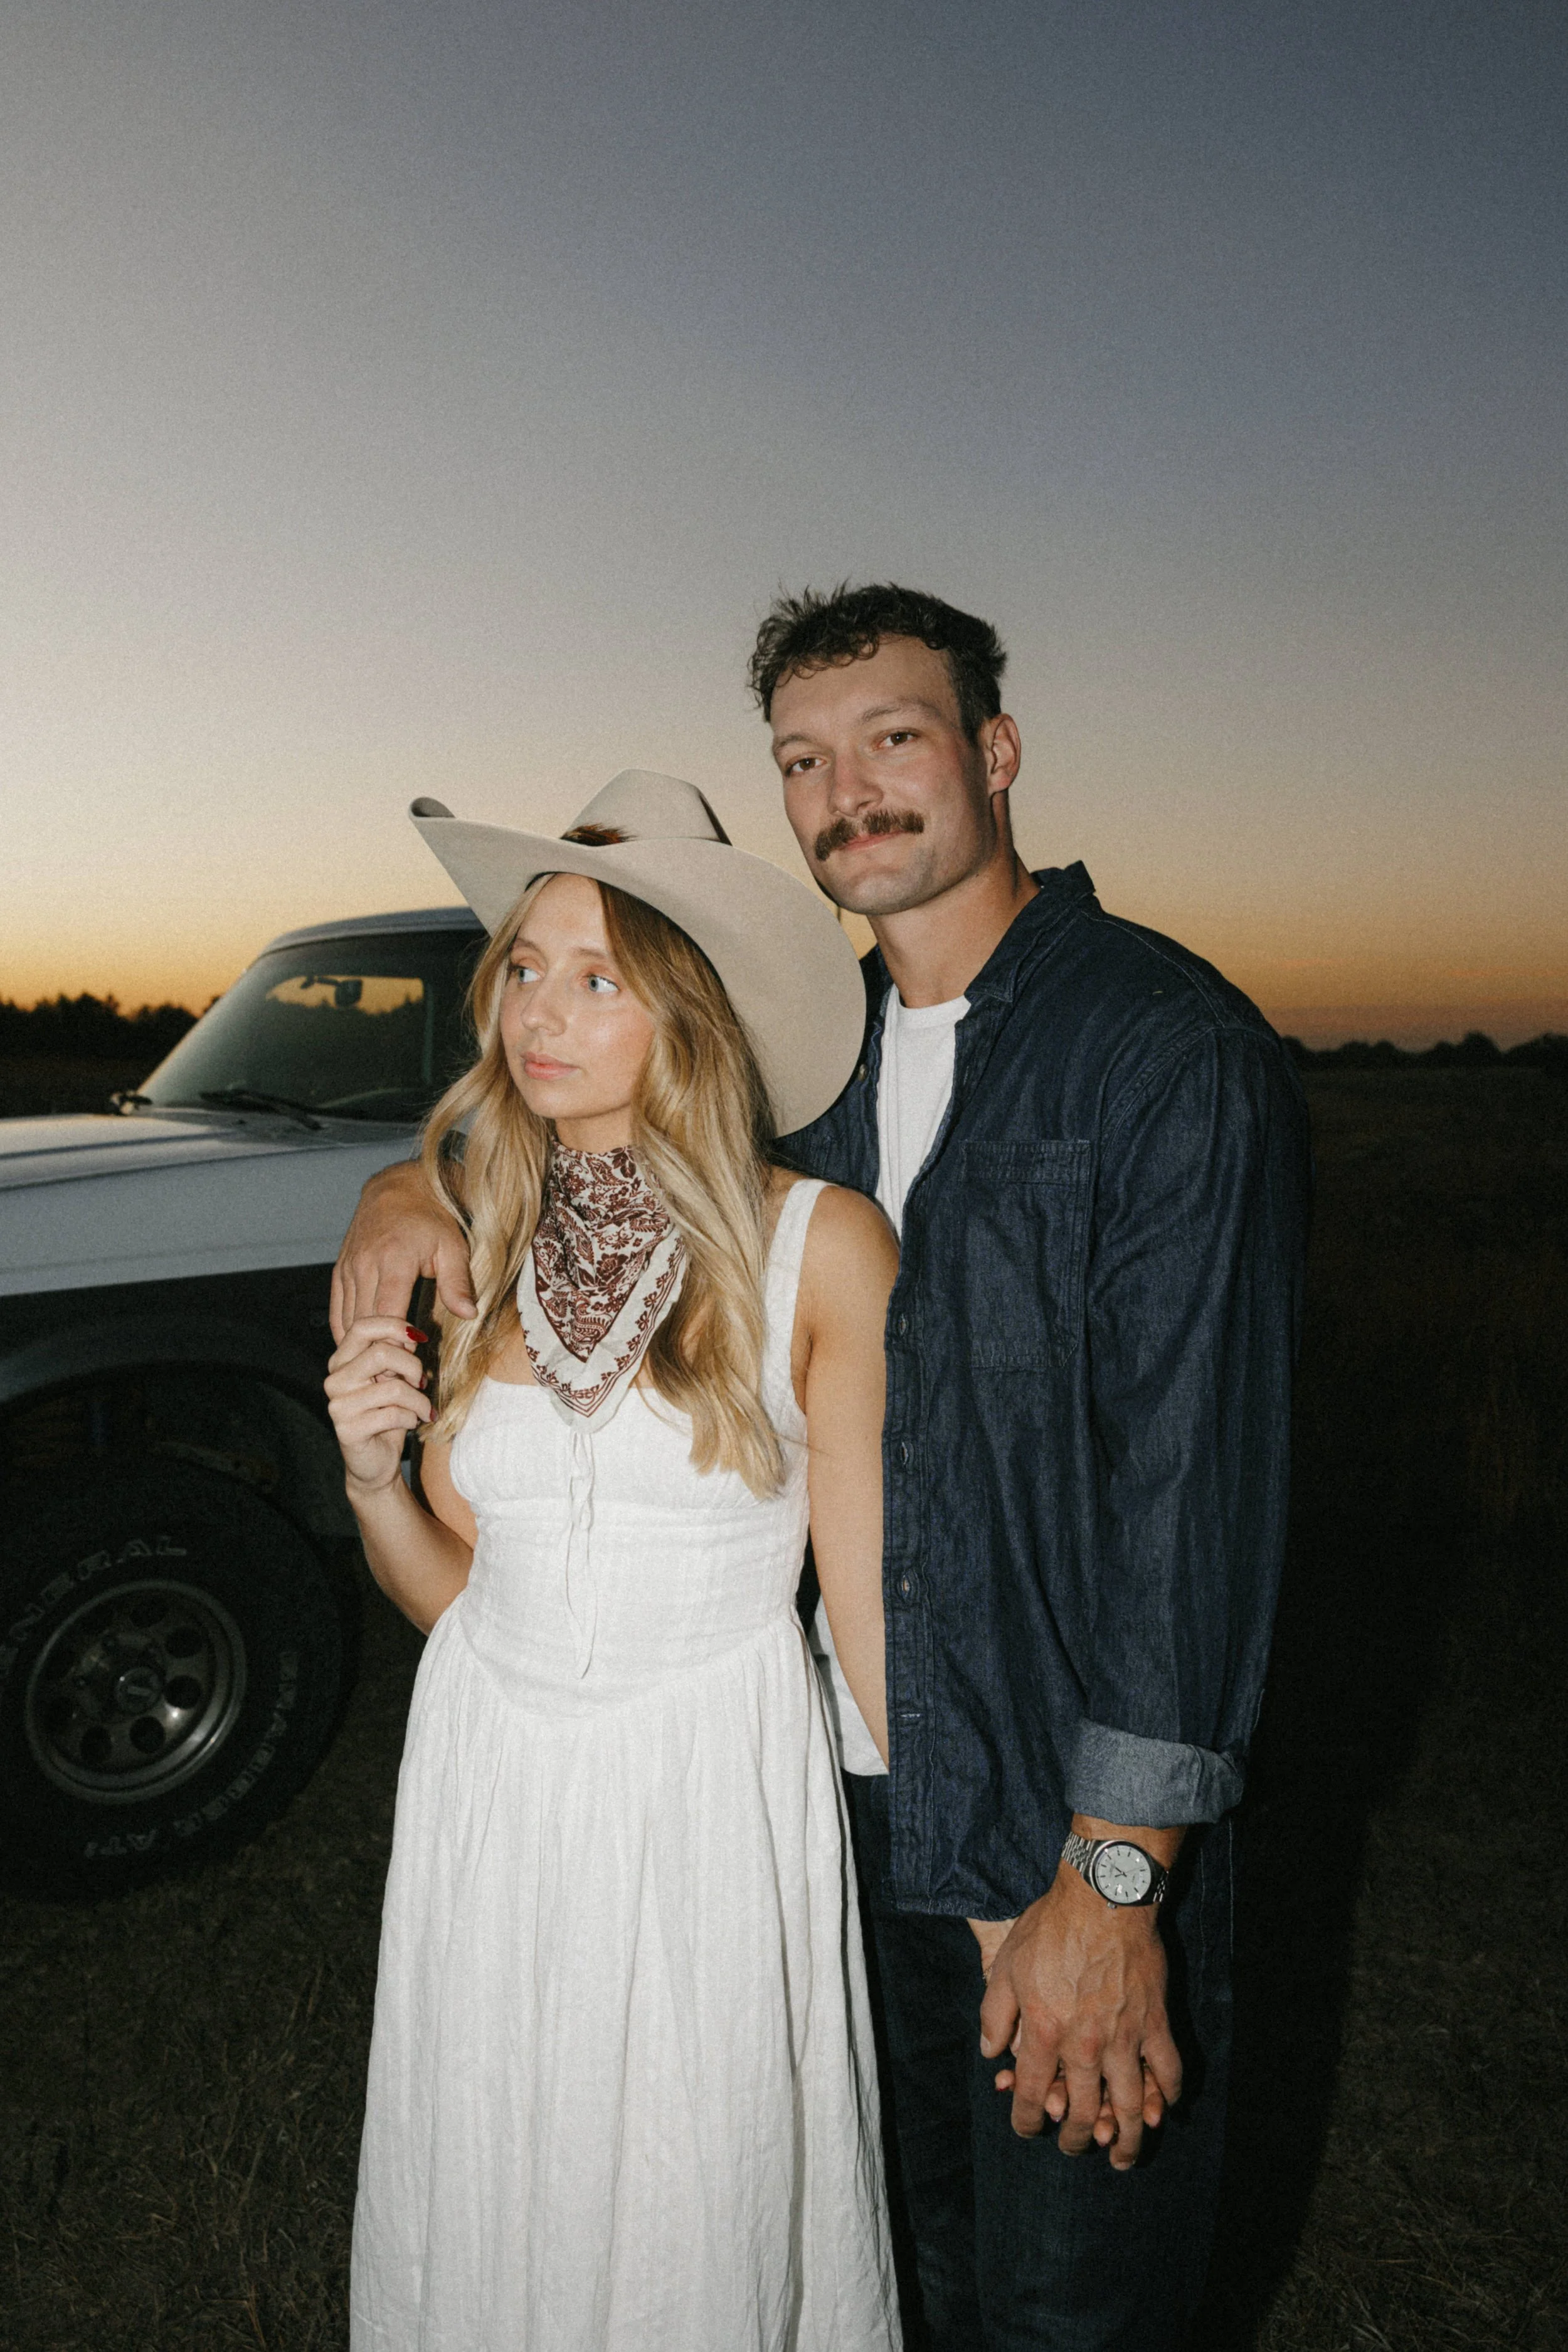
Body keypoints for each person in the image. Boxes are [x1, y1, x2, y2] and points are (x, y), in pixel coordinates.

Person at [334, 590, 1313, 2352]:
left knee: (1068, 2301)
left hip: (1049, 1809)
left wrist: (1110, 1883)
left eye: (893, 737)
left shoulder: (1160, 1051)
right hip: (831, 1812)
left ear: (993, 753)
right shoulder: (819, 1070)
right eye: (802, 758)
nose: (846, 788)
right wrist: (401, 1190)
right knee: (885, 2259)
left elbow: (1193, 1505)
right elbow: (584, 1119)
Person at [327, 768, 903, 2351]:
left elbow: (867, 1614)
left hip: (702, 1798)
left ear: (691, 1012)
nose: (540, 1011)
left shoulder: (819, 1246)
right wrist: (372, 1485)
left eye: (598, 979)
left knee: (689, 2217)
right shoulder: (480, 1239)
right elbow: (462, 1596)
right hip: (489, 1798)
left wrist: (1000, 1902)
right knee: (494, 2182)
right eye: (525, 966)